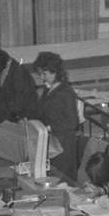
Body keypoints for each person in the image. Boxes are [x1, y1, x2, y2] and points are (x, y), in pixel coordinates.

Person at [31, 52, 80, 181]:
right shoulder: (49, 89)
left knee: (63, 178)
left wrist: (49, 127)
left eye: (44, 74)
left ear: (55, 72)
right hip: (52, 142)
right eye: (40, 74)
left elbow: (72, 123)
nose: (42, 78)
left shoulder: (65, 92)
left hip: (63, 144)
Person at [0, 45, 38, 124]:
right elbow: (4, 98)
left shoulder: (18, 72)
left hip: (25, 118)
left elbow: (18, 104)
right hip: (14, 117)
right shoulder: (5, 70)